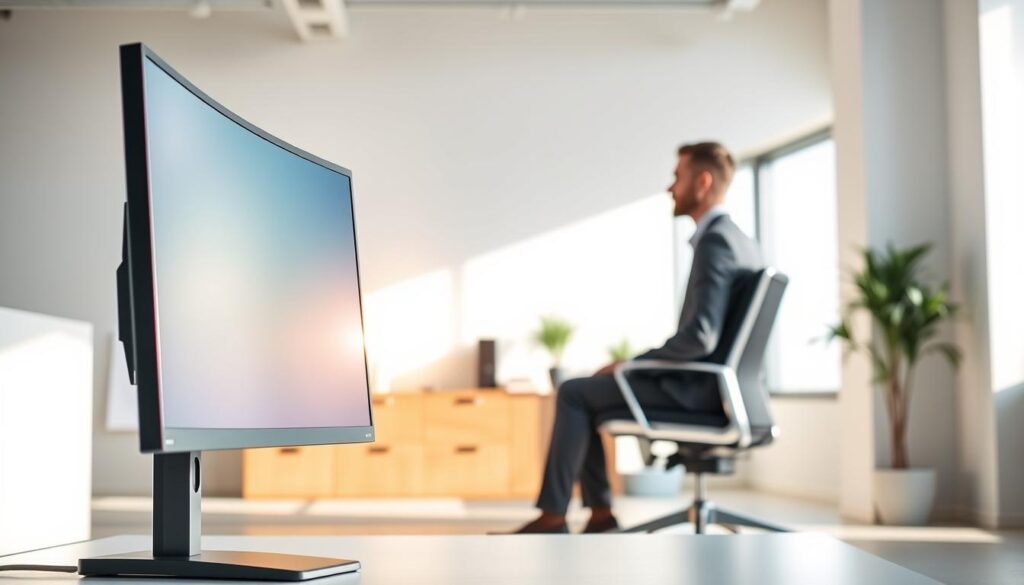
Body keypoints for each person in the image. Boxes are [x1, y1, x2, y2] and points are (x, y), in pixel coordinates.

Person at [508, 141, 764, 534]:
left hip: (698, 393)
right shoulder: (742, 241)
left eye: (678, 177)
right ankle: (599, 516)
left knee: (575, 393)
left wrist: (632, 365)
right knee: (588, 393)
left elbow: (700, 337)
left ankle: (555, 516)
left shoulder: (715, 243)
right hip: (723, 392)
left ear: (703, 181)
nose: (671, 188)